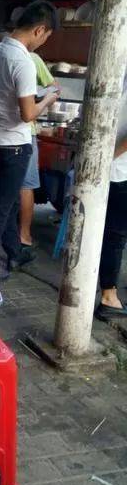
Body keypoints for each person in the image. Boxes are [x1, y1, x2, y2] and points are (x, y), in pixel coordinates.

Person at [0, 1, 60, 275]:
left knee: (7, 200)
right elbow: (27, 114)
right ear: (39, 30)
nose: (44, 42)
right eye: (47, 37)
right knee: (2, 205)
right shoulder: (22, 60)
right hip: (14, 144)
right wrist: (47, 99)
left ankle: (15, 252)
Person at [19, 50, 58, 248]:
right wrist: (45, 100)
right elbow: (54, 89)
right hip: (24, 133)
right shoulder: (30, 59)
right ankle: (24, 235)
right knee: (26, 186)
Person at [96, 76, 127, 320]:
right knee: (115, 235)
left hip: (113, 170)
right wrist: (108, 160)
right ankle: (108, 296)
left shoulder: (116, 80)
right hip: (120, 171)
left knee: (112, 234)